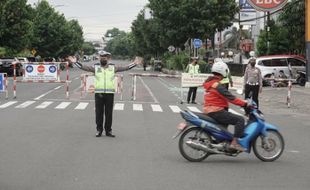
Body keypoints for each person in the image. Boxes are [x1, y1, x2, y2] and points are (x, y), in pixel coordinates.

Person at [67, 51, 143, 137]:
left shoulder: (113, 67)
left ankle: (108, 131)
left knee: (109, 113)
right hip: (99, 93)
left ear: (108, 58)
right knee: (99, 113)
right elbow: (84, 67)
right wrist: (75, 62)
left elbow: (125, 68)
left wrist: (134, 64)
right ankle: (99, 130)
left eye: (105, 57)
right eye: (101, 57)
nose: (103, 58)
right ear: (99, 58)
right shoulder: (95, 67)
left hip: (109, 94)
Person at [203, 61, 247, 152]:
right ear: (223, 71)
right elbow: (231, 98)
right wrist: (245, 104)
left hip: (210, 110)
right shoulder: (218, 85)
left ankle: (222, 144)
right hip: (216, 111)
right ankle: (234, 144)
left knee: (223, 130)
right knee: (240, 120)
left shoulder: (210, 82)